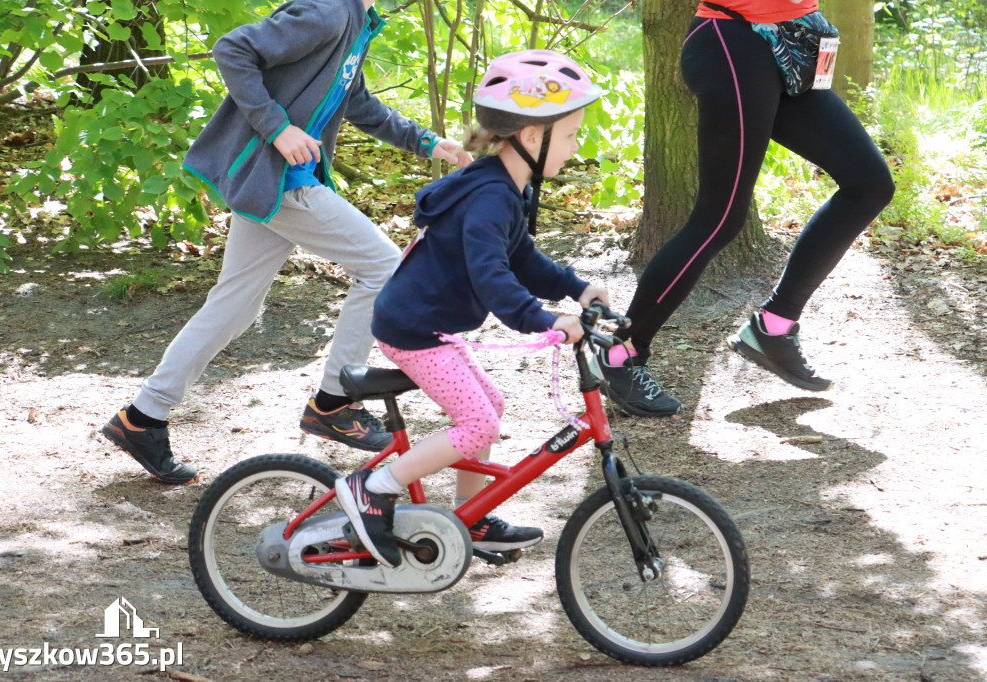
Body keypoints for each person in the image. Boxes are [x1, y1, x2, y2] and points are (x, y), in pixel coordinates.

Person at [101, 0, 472, 484]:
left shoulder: (357, 20)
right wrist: (277, 128)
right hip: (281, 179)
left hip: (273, 183)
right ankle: (334, 403)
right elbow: (232, 49)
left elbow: (355, 101)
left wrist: (425, 141)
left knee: (233, 306)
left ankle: (143, 417)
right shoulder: (328, 11)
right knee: (384, 268)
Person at [331, 50, 609, 568]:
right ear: (531, 137)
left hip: (431, 324)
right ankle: (374, 487)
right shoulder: (490, 198)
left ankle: (471, 516)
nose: (574, 147)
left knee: (490, 406)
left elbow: (519, 256)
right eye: (569, 135)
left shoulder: (507, 189)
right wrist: (544, 320)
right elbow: (492, 276)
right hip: (414, 326)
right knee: (477, 424)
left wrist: (578, 287)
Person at [597, 0, 896, 417]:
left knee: (870, 184)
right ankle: (621, 353)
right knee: (719, 218)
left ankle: (773, 328)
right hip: (733, 43)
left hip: (793, 38)